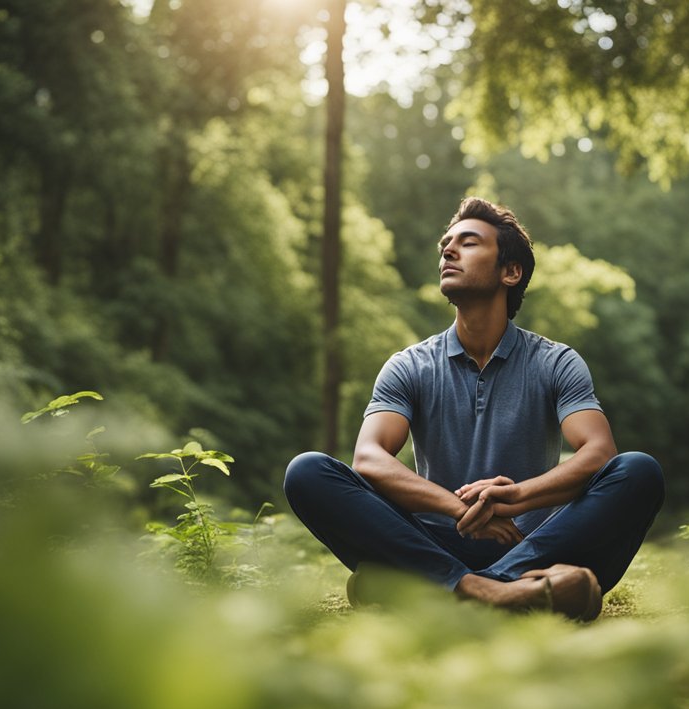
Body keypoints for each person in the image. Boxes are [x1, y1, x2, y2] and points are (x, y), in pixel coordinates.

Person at [284, 197, 664, 620]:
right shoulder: (409, 365)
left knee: (639, 471)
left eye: (468, 242)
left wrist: (515, 497)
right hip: (431, 540)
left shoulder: (556, 361)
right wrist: (459, 507)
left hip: (532, 544)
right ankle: (499, 593)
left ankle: (437, 590)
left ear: (511, 271)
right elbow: (369, 458)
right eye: (447, 244)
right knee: (307, 471)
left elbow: (598, 452)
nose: (448, 251)